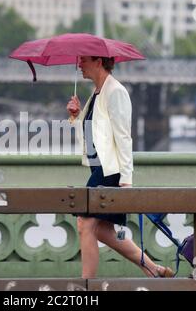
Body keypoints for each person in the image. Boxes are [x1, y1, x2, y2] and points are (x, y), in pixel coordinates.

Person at [66, 56, 174, 279]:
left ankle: (87, 286)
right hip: (100, 168)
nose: (79, 64)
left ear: (98, 61)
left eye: (83, 60)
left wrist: (126, 179)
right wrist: (75, 117)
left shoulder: (115, 92)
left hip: (110, 170)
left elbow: (124, 138)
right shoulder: (98, 93)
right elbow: (91, 134)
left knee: (84, 223)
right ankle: (154, 270)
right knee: (103, 230)